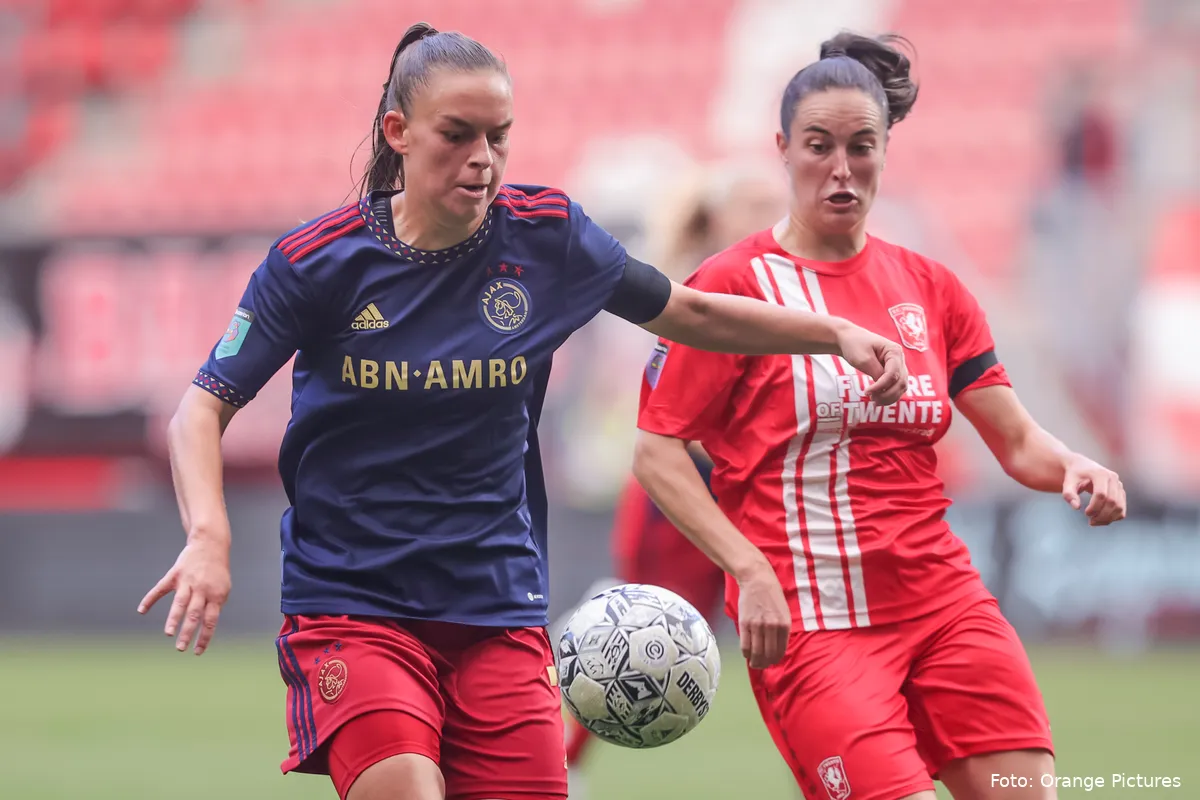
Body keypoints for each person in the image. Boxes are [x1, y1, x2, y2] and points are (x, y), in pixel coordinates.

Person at [135, 23, 910, 800]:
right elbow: (200, 410)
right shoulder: (316, 263)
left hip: (499, 609)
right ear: (398, 132)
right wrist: (208, 534)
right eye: (458, 134)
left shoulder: (547, 238)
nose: (483, 158)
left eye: (499, 137)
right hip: (354, 608)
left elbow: (691, 315)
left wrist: (834, 333)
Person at [633, 32, 1127, 800]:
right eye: (819, 146)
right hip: (815, 628)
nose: (841, 169)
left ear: (886, 149)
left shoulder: (931, 287)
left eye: (861, 147)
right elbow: (656, 451)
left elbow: (1019, 441)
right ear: (782, 148)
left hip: (946, 607)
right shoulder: (729, 288)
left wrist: (1075, 466)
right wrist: (747, 567)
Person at [560, 163, 787, 783]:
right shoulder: (691, 296)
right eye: (757, 201)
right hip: (682, 499)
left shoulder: (788, 294)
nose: (774, 213)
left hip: (752, 495)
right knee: (636, 649)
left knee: (788, 649)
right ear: (719, 218)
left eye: (777, 200)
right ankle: (558, 768)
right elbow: (668, 424)